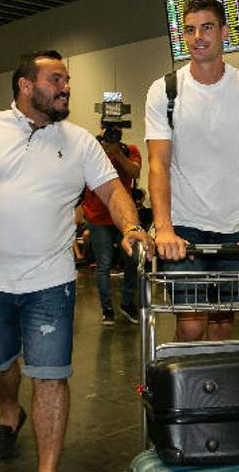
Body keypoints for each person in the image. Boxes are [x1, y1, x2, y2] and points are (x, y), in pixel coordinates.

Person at [0, 50, 153, 470]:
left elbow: (114, 191)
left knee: (50, 376)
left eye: (67, 81)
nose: (66, 88)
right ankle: (10, 412)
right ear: (26, 86)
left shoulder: (81, 141)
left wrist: (132, 228)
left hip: (51, 280)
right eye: (56, 80)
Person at [145, 0, 239, 342]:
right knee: (191, 324)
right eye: (189, 30)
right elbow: (158, 166)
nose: (197, 37)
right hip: (184, 227)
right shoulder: (165, 91)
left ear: (223, 32)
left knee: (223, 323)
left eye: (206, 28)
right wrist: (163, 228)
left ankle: (215, 397)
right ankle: (183, 396)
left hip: (235, 227)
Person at [81, 126, 142, 326]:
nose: (112, 134)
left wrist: (117, 152)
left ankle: (127, 303)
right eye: (108, 129)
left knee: (133, 259)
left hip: (123, 218)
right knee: (103, 264)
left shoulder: (129, 150)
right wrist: (103, 149)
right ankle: (107, 308)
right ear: (101, 129)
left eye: (116, 129)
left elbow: (134, 171)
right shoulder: (93, 148)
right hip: (98, 217)